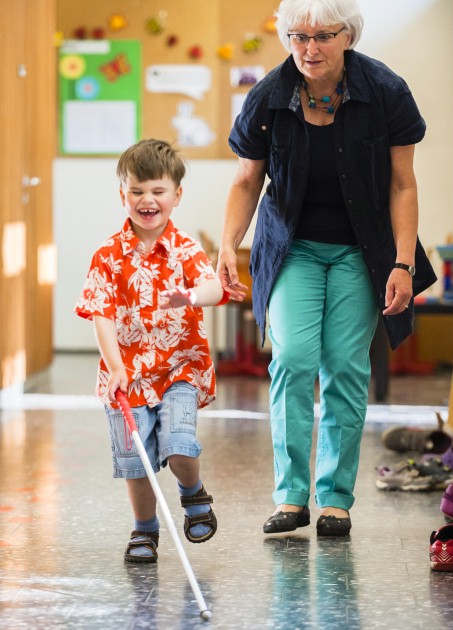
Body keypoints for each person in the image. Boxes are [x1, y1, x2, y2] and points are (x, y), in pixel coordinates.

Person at [217, 0, 437, 537]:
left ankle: (335, 499)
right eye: (297, 36)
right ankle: (291, 496)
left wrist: (403, 263)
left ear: (348, 36)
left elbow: (402, 184)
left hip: (362, 251)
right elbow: (247, 180)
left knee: (344, 366)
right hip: (293, 247)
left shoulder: (385, 91)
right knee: (292, 357)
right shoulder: (269, 96)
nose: (308, 48)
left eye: (322, 36)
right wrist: (228, 244)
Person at [75, 138, 228, 562]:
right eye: (137, 191)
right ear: (122, 195)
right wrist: (115, 366)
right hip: (128, 376)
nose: (147, 200)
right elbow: (100, 313)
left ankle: (193, 491)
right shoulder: (107, 255)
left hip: (179, 369)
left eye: (158, 191)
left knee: (179, 444)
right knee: (135, 460)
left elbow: (215, 288)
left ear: (176, 196)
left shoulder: (186, 251)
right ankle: (145, 530)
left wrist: (191, 297)